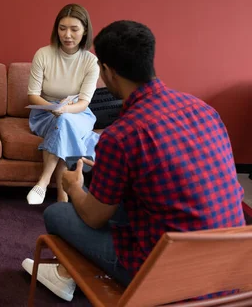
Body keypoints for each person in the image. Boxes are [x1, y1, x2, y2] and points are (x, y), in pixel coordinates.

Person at [22, 20, 245, 301]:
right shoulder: (205, 110)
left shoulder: (121, 135)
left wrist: (73, 185)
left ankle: (66, 277)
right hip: (231, 264)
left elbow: (93, 216)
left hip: (167, 274)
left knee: (59, 213)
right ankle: (67, 275)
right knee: (120, 199)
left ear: (108, 72)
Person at [26, 4, 100, 205]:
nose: (67, 35)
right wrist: (54, 109)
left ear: (85, 31)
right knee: (65, 126)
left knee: (66, 121)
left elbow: (84, 102)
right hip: (45, 112)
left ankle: (43, 181)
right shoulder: (43, 54)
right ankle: (62, 197)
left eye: (74, 29)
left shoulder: (91, 62)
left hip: (78, 112)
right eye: (62, 28)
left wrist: (65, 110)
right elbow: (32, 95)